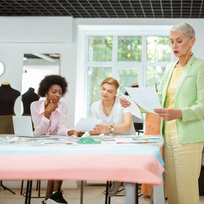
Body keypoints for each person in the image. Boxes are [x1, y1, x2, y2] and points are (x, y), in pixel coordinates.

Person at [121, 22, 204, 204]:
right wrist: (133, 103)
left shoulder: (201, 67)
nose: (174, 46)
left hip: (188, 137)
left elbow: (203, 106)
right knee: (173, 192)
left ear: (192, 41)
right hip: (167, 137)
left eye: (179, 41)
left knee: (186, 190)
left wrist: (179, 113)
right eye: (171, 42)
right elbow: (158, 100)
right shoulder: (170, 68)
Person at [30, 75, 84, 204]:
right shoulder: (35, 105)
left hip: (54, 142)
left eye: (60, 92)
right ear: (45, 92)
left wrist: (72, 132)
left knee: (60, 157)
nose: (57, 95)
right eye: (54, 92)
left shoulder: (63, 106)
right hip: (39, 143)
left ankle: (51, 198)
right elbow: (38, 132)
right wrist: (47, 113)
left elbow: (61, 129)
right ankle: (54, 196)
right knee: (57, 161)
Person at [90, 77, 134, 195]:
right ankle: (117, 178)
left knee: (120, 156)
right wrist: (101, 129)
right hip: (109, 140)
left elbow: (127, 125)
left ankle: (122, 180)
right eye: (103, 89)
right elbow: (92, 130)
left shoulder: (124, 103)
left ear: (115, 93)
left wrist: (110, 128)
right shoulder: (95, 105)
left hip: (127, 140)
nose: (105, 93)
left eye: (110, 91)